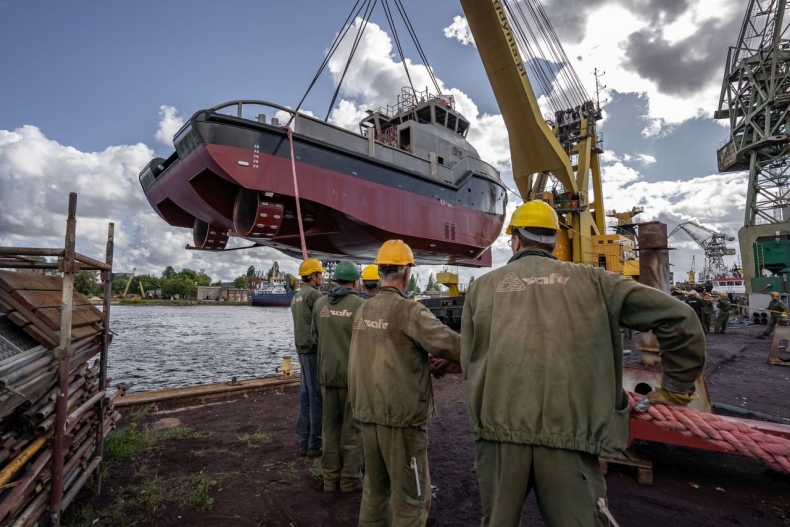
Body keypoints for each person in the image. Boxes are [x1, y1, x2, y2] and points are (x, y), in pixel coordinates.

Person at [461, 200, 706, 527]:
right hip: (573, 438)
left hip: (498, 436)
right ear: (554, 241)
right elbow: (681, 318)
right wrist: (675, 388)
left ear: (515, 240)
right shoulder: (597, 282)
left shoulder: (480, 289)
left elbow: (469, 361)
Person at [348, 240, 461, 527]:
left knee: (374, 494)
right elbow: (452, 345)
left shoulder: (363, 311)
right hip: (401, 420)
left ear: (380, 271)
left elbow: (385, 356)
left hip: (367, 415)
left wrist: (422, 362)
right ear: (407, 272)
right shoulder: (410, 311)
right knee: (411, 499)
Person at [312, 261, 365, 493]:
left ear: (335, 280)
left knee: (329, 430)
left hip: (327, 376)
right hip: (351, 379)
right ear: (355, 281)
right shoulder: (361, 306)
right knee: (352, 431)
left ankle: (329, 479)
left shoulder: (320, 304)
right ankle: (349, 480)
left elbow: (315, 337)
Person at [290, 258, 326, 457]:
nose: (322, 277)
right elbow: (323, 322)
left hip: (301, 350)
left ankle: (303, 441)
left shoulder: (297, 296)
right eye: (320, 274)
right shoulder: (314, 295)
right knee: (316, 398)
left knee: (305, 396)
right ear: (313, 276)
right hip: (313, 350)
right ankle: (315, 444)